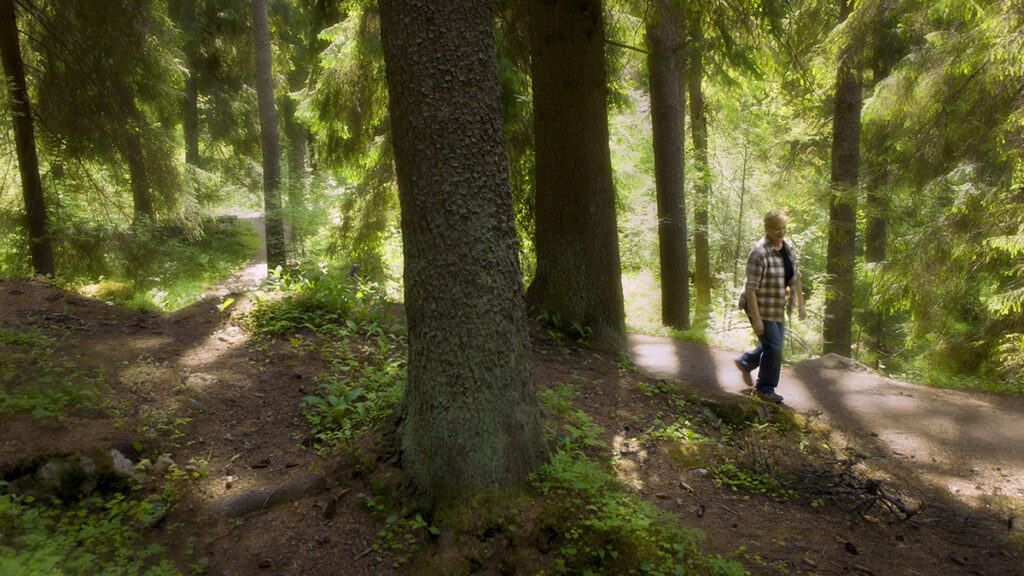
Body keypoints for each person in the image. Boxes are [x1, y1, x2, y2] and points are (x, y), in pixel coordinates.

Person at [735, 209, 806, 403]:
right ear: (767, 229)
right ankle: (765, 388)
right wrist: (756, 320)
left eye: (784, 228)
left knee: (773, 344)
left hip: (776, 305)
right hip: (757, 304)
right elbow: (750, 289)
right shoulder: (759, 253)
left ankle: (746, 362)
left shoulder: (788, 247)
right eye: (777, 229)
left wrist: (801, 306)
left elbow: (796, 277)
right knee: (774, 346)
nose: (781, 233)